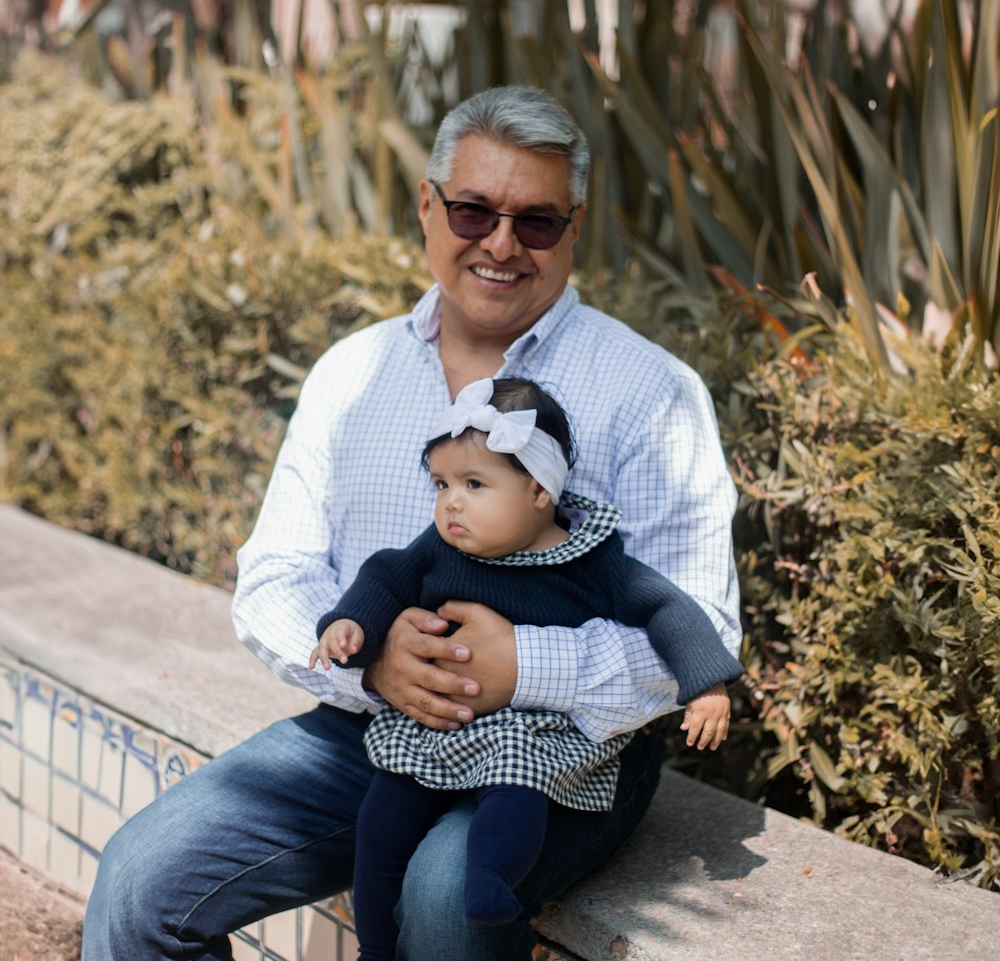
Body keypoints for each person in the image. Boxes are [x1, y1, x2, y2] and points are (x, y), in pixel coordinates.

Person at [82, 84, 741, 961]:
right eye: (473, 211)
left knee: (443, 892)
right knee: (140, 883)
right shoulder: (352, 372)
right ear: (428, 207)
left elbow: (699, 616)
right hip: (365, 726)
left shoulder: (652, 392)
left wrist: (521, 666)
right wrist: (375, 663)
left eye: (536, 222)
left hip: (562, 756)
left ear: (574, 228)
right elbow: (276, 574)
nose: (501, 244)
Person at [313, 375, 741, 960]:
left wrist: (706, 683)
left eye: (473, 483)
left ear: (540, 491)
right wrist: (352, 627)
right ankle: (376, 950)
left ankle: (491, 882)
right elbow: (385, 576)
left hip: (533, 733)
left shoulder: (591, 559)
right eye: (441, 483)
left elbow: (665, 606)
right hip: (438, 724)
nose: (451, 502)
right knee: (381, 821)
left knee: (515, 797)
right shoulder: (442, 548)